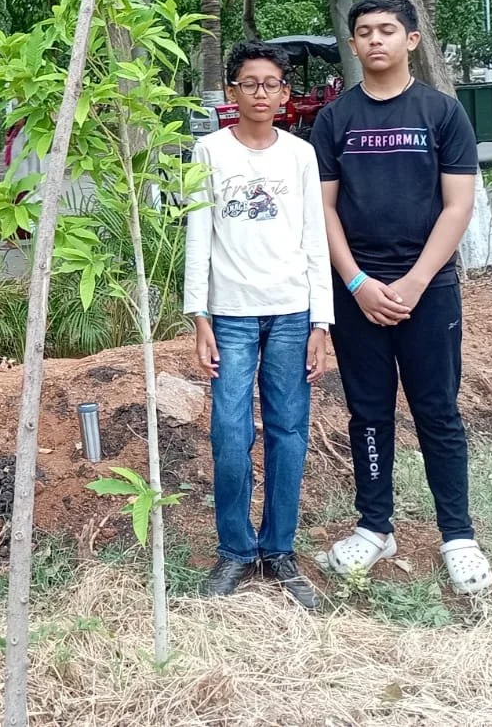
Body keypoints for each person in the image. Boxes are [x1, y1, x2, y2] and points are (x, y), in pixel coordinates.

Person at [310, 0, 492, 595]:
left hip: (429, 292)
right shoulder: (335, 119)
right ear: (354, 43)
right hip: (355, 294)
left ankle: (458, 535)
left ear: (411, 39)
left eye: (387, 30)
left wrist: (414, 282)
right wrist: (357, 282)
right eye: (364, 32)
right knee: (368, 412)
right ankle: (374, 526)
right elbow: (324, 210)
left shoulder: (441, 114)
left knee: (437, 411)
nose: (375, 41)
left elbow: (458, 205)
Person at [185, 40, 334, 609]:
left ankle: (279, 549)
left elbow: (313, 239)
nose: (262, 93)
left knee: (289, 430)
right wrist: (198, 314)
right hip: (231, 314)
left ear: (285, 94)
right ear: (232, 92)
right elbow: (198, 235)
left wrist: (321, 320)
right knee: (229, 431)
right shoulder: (208, 152)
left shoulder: (299, 154)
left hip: (293, 313)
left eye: (272, 84)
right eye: (251, 83)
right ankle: (235, 551)